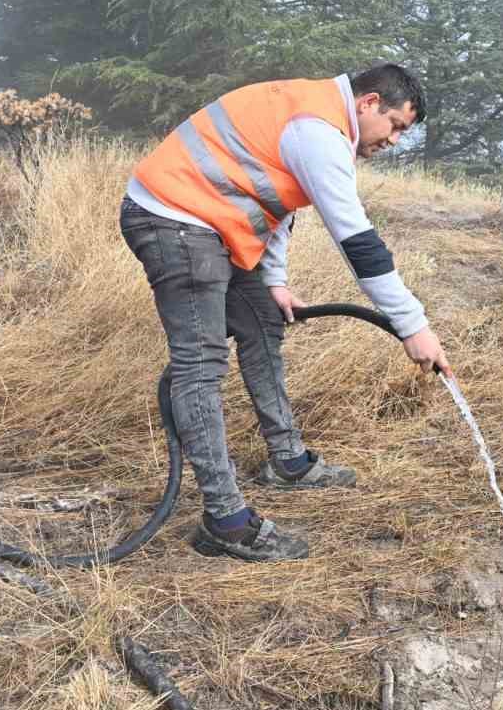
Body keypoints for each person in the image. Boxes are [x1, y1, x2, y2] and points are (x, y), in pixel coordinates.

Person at [119, 63, 452, 562]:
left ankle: (287, 461)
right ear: (368, 103)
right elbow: (359, 242)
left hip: (213, 221)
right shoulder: (319, 131)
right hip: (174, 219)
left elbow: (274, 196)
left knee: (261, 319)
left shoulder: (314, 114)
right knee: (201, 364)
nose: (396, 141)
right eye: (396, 126)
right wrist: (413, 327)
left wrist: (273, 281)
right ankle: (225, 521)